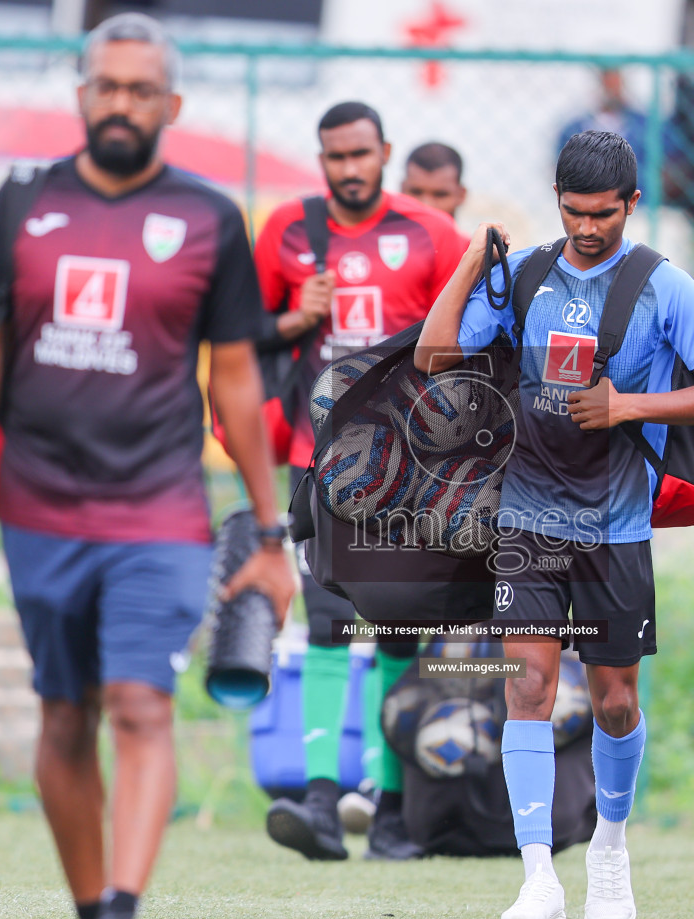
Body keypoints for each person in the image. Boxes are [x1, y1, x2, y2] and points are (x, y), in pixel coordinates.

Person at [0, 13, 296, 919]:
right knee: (63, 715)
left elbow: (238, 382)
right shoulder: (24, 201)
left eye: (139, 89)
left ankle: (122, 914)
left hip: (159, 510)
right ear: (81, 95)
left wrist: (271, 527)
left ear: (172, 104)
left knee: (137, 702)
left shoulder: (210, 219)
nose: (121, 103)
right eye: (105, 86)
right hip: (41, 508)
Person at [415, 130, 694, 919]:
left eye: (603, 214)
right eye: (572, 213)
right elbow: (431, 355)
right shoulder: (524, 275)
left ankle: (609, 850)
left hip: (617, 525)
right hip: (526, 516)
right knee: (526, 683)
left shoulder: (667, 288)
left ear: (631, 204)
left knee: (615, 703)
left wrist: (628, 406)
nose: (586, 229)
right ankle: (537, 880)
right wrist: (470, 262)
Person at [252, 101, 467, 862]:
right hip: (321, 464)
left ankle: (390, 808)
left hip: (408, 469)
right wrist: (288, 321)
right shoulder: (285, 229)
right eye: (333, 157)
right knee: (328, 625)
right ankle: (315, 800)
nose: (347, 169)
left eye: (359, 154)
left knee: (400, 630)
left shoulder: (432, 235)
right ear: (321, 159)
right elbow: (235, 331)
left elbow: (475, 330)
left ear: (384, 152)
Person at [401, 141, 467, 221]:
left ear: (461, 195)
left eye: (440, 195)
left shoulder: (478, 233)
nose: (427, 205)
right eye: (416, 192)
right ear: (402, 189)